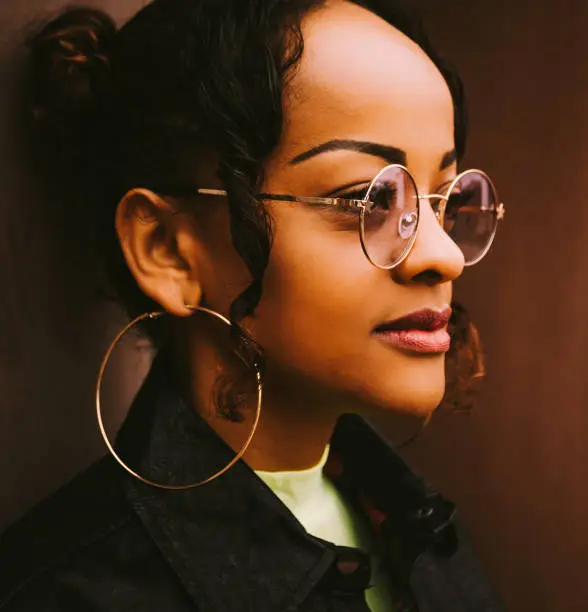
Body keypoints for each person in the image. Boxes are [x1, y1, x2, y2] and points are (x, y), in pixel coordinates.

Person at [0, 0, 506, 610]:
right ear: (169, 251)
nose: (444, 254)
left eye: (444, 200)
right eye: (362, 201)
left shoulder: (418, 525)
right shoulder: (72, 593)